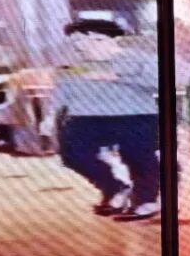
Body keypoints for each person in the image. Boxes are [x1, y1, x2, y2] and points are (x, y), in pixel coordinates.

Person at [52, 19, 160, 220]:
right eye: (75, 43)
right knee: (72, 154)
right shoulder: (74, 65)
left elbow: (162, 81)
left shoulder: (140, 59)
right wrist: (50, 115)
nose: (78, 47)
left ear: (101, 38)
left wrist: (117, 77)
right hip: (86, 116)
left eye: (81, 41)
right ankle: (115, 188)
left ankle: (146, 201)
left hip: (135, 114)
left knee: (138, 157)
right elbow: (63, 90)